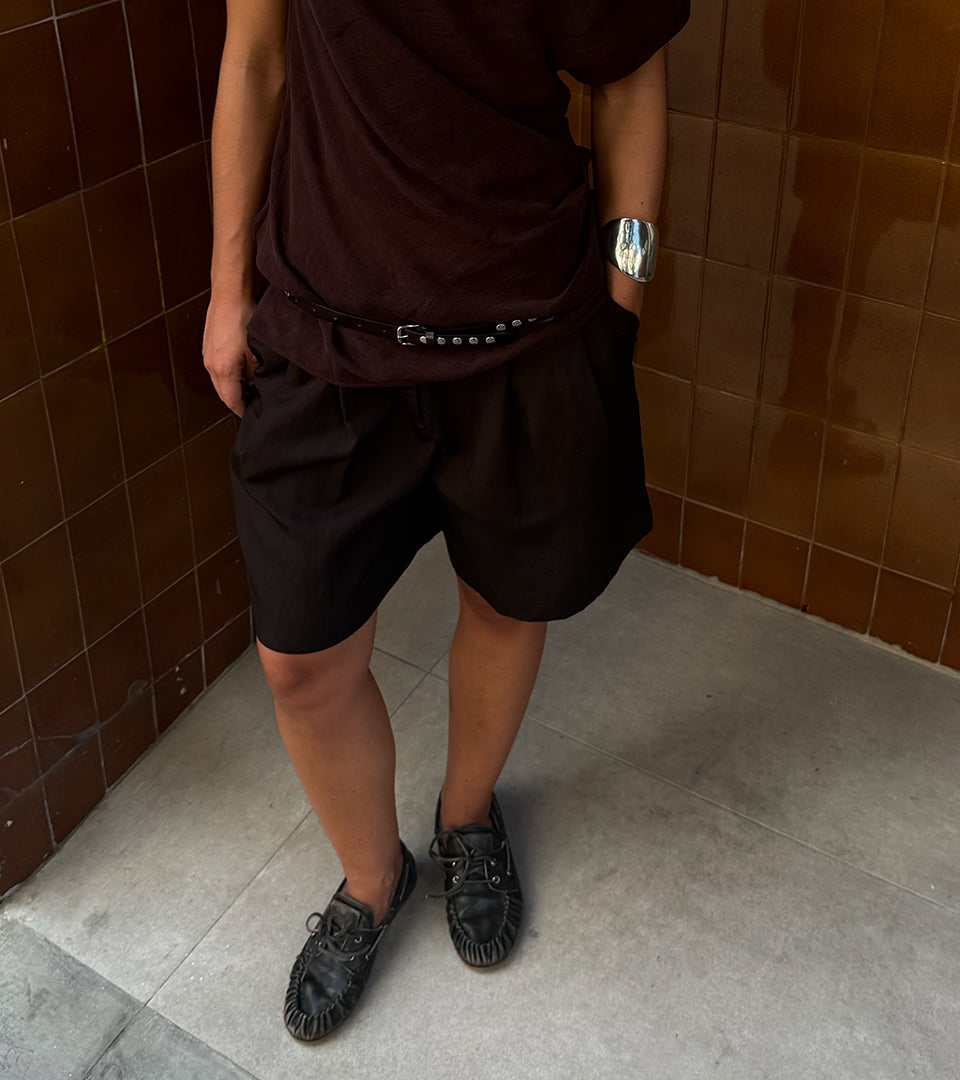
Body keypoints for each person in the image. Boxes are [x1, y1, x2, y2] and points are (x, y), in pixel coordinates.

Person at [203, 0, 690, 1042]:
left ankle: (467, 815)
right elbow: (255, 56)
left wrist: (623, 298)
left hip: (528, 326)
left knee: (507, 602)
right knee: (301, 660)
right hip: (324, 331)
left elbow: (630, 72)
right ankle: (372, 877)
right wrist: (224, 288)